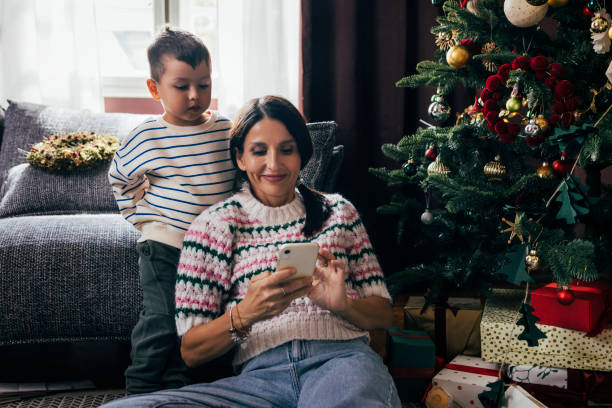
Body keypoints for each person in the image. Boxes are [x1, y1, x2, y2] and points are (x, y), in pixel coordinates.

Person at [102, 96, 401, 407]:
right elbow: (192, 352)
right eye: (259, 151)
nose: (274, 164)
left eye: (287, 150)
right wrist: (247, 313)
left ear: (302, 155)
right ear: (240, 158)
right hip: (257, 383)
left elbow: (382, 313)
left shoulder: (339, 212)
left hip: (340, 364)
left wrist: (342, 305)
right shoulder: (212, 226)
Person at [108, 26, 235, 394]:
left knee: (194, 324)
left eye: (204, 84)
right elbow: (121, 179)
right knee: (162, 320)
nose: (195, 96)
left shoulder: (224, 129)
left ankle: (179, 392)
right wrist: (142, 218)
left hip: (211, 252)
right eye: (182, 87)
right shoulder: (146, 136)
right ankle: (139, 390)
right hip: (165, 245)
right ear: (155, 89)